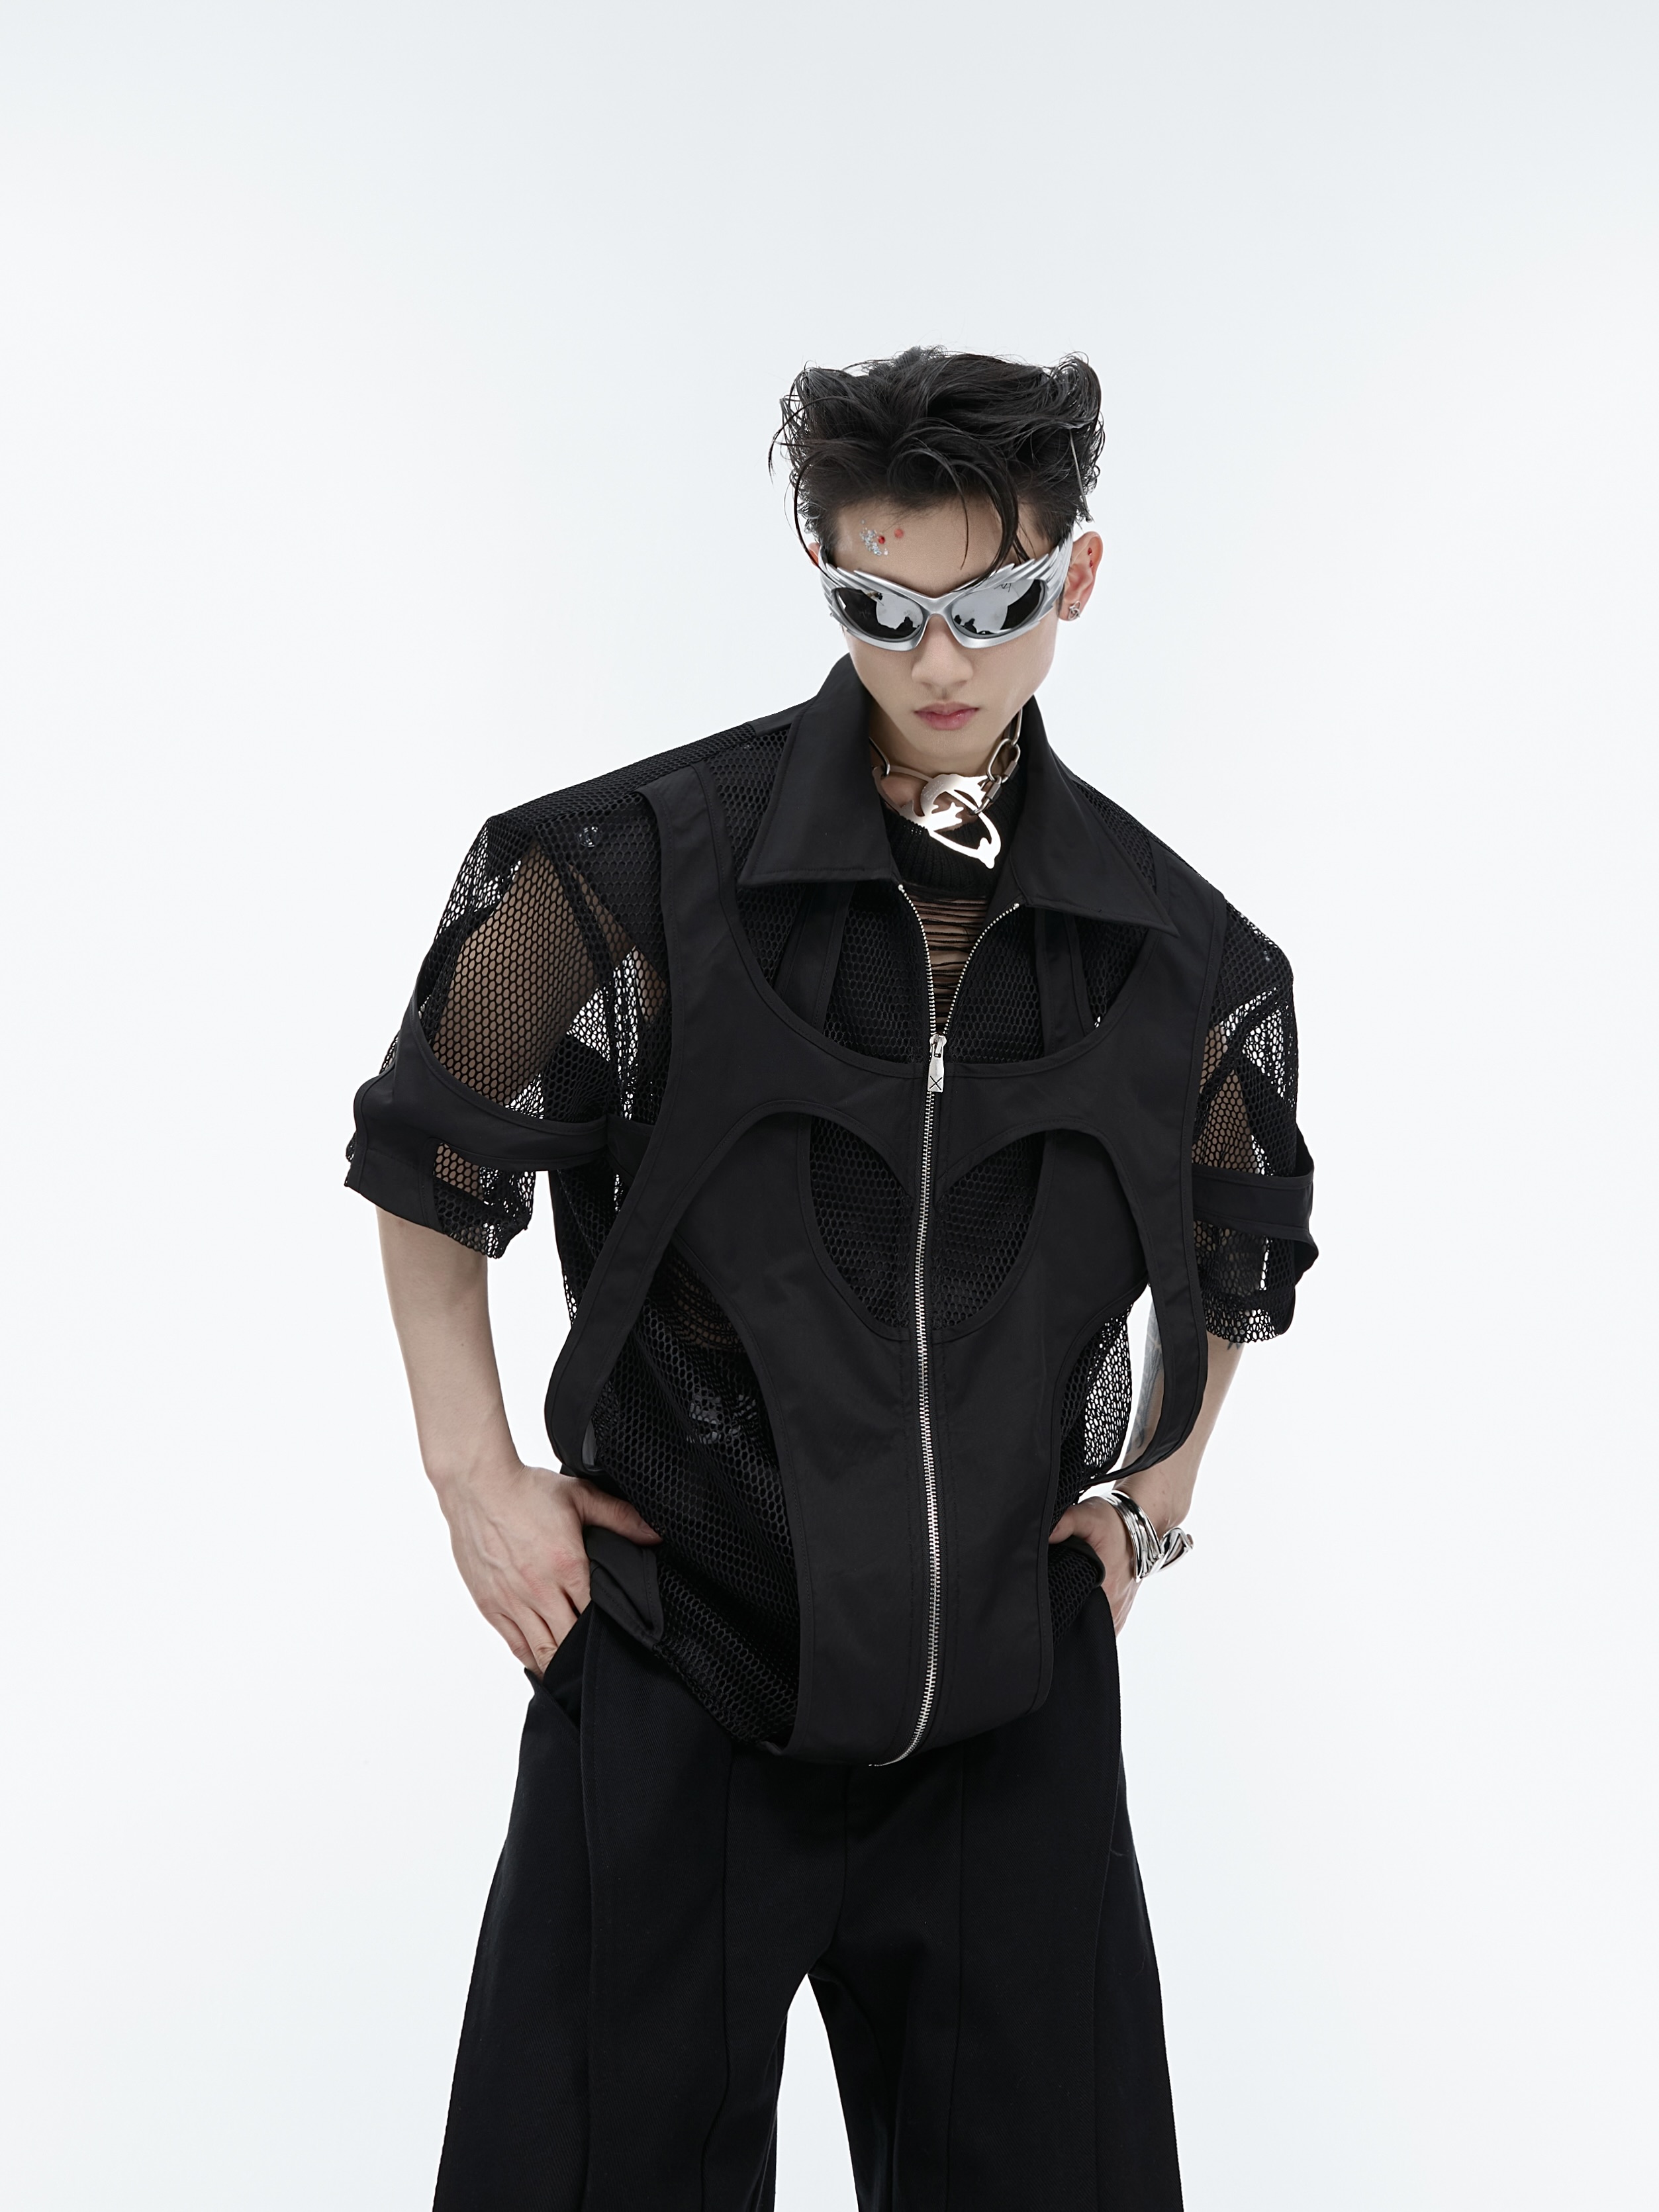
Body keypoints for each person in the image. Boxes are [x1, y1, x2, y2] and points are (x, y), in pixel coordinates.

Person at [346, 347, 1316, 2211]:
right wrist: (473, 1478)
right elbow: (430, 1150)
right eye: (883, 609)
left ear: (1076, 574)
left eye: (992, 606)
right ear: (825, 575)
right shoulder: (613, 871)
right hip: (682, 1667)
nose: (939, 660)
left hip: (1008, 1721)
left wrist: (1150, 1508)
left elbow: (1239, 1254)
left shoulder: (1191, 959)